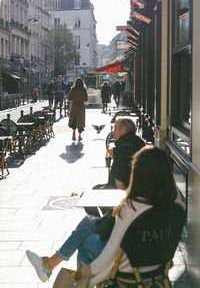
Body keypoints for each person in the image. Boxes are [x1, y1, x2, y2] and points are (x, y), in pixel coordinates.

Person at [26, 146, 183, 287]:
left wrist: (89, 271)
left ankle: (73, 278)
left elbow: (111, 251)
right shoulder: (177, 206)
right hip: (157, 270)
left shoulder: (130, 207)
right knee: (90, 223)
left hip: (127, 272)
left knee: (86, 241)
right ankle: (54, 267)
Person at [25, 117, 145, 282]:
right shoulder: (163, 204)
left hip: (126, 252)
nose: (112, 131)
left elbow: (120, 184)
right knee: (88, 225)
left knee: (85, 233)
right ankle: (50, 265)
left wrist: (118, 178)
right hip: (146, 256)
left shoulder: (125, 146)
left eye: (116, 127)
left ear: (124, 130)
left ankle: (49, 266)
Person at [67, 77, 88, 141]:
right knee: (80, 121)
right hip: (81, 106)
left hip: (74, 106)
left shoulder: (73, 89)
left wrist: (74, 99)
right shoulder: (83, 89)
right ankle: (79, 136)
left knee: (74, 119)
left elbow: (68, 97)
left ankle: (73, 133)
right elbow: (86, 99)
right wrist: (81, 99)